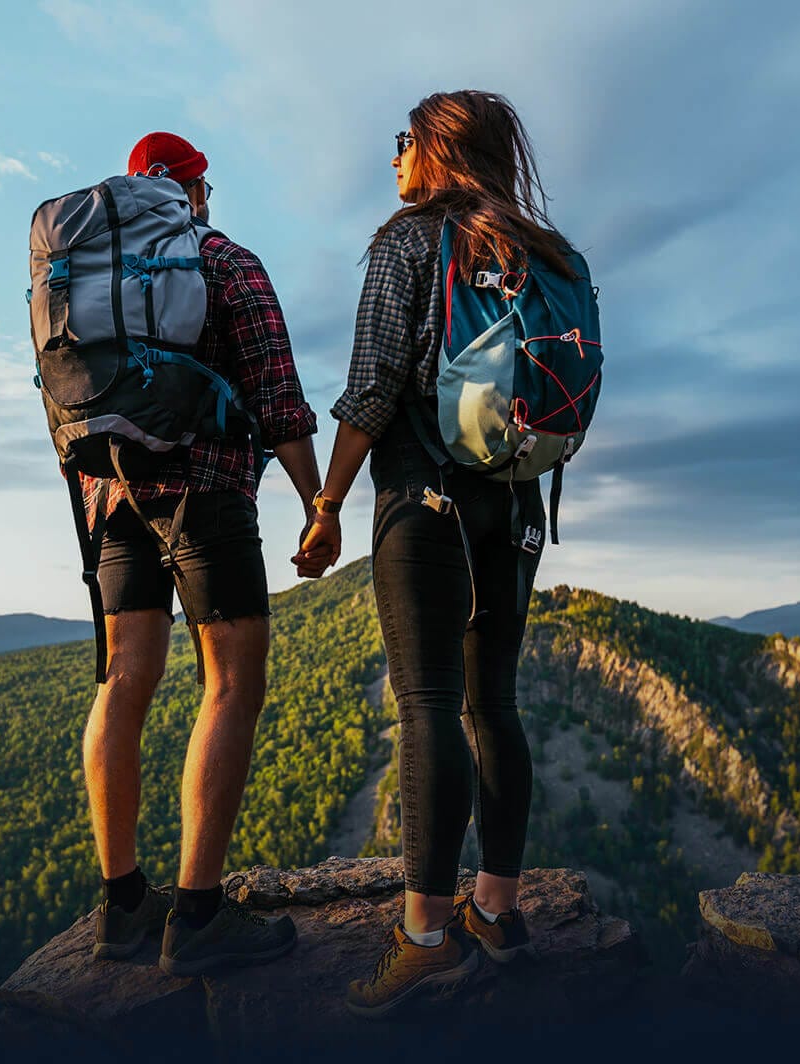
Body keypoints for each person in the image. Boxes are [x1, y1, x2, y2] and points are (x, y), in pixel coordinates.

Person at [296, 91, 578, 1017]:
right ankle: (496, 910)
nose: (393, 161)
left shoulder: (409, 242)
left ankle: (424, 937)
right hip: (518, 502)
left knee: (424, 702)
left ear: (438, 151)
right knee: (492, 698)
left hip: (425, 495)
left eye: (403, 144)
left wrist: (328, 501)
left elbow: (372, 387)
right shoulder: (545, 252)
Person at [81, 131, 324, 976]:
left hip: (110, 501)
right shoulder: (223, 261)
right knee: (231, 685)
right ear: (196, 190)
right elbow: (277, 393)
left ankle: (121, 906)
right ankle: (198, 915)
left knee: (124, 680)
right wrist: (315, 505)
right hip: (206, 492)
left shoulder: (90, 275)